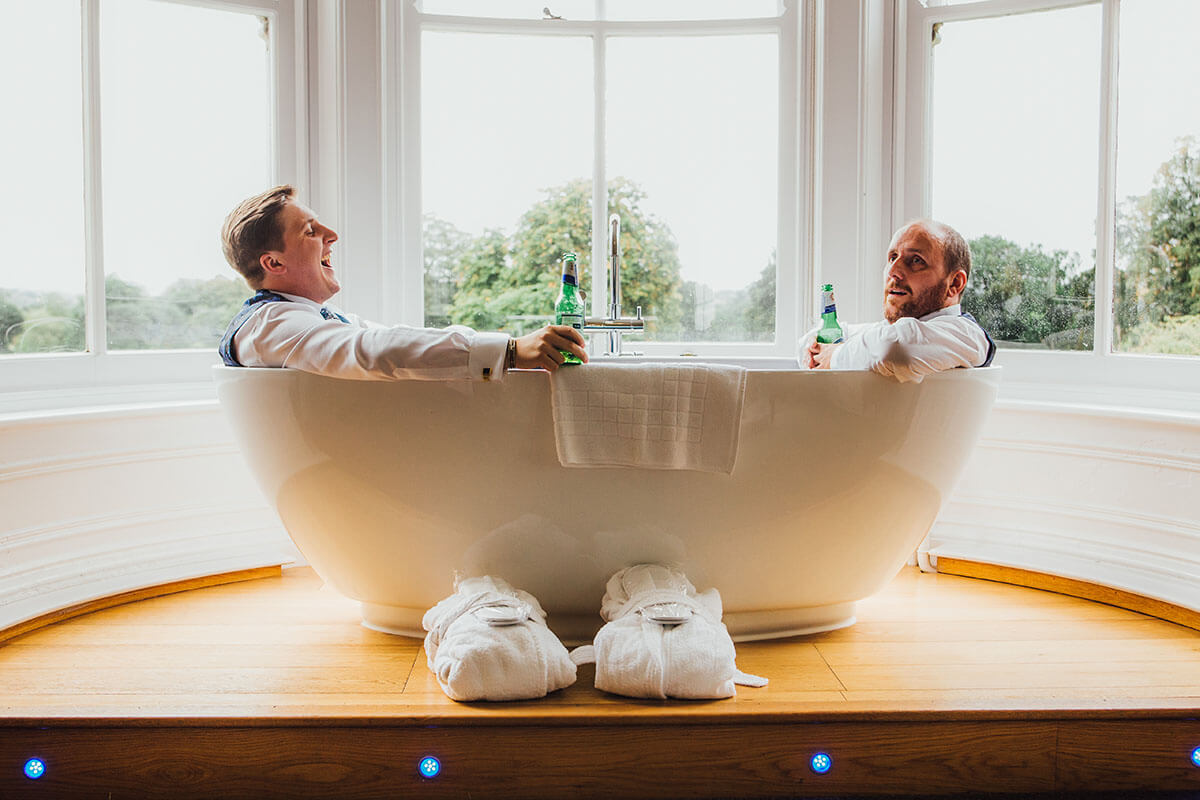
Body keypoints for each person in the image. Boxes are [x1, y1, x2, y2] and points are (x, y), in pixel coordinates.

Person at [218, 185, 588, 379]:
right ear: (273, 262)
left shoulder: (312, 319)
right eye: (310, 231)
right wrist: (508, 351)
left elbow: (396, 335)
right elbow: (371, 350)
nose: (332, 235)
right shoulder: (273, 325)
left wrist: (513, 350)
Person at [802, 219, 995, 382]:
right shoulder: (884, 333)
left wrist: (834, 355)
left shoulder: (968, 335)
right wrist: (816, 346)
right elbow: (812, 339)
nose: (893, 271)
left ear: (954, 283)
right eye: (893, 257)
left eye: (916, 260)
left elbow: (895, 349)